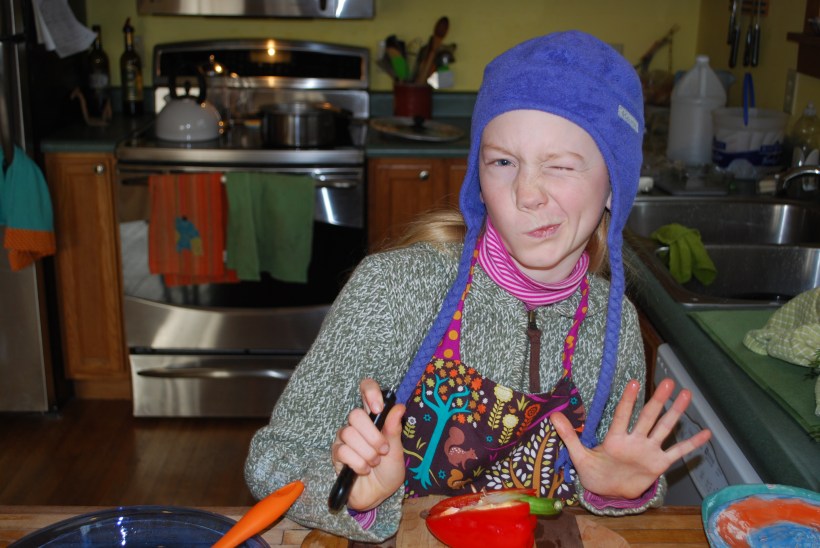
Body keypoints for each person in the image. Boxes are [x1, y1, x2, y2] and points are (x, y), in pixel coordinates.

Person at [245, 30, 711, 543]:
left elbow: (620, 475)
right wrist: (354, 494)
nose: (526, 193)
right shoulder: (396, 289)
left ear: (614, 185)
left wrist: (615, 491)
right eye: (502, 162)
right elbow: (273, 458)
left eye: (560, 166)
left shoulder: (614, 325)